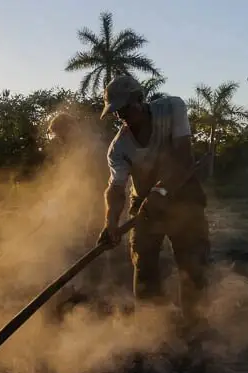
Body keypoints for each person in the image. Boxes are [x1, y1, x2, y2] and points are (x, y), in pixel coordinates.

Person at [96, 75, 211, 346]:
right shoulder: (118, 147)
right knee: (144, 263)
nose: (122, 115)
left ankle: (195, 329)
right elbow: (116, 188)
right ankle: (152, 331)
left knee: (192, 260)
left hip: (184, 192)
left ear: (140, 99)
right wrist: (110, 222)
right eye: (117, 111)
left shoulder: (172, 109)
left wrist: (162, 192)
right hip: (144, 204)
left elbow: (184, 158)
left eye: (126, 107)